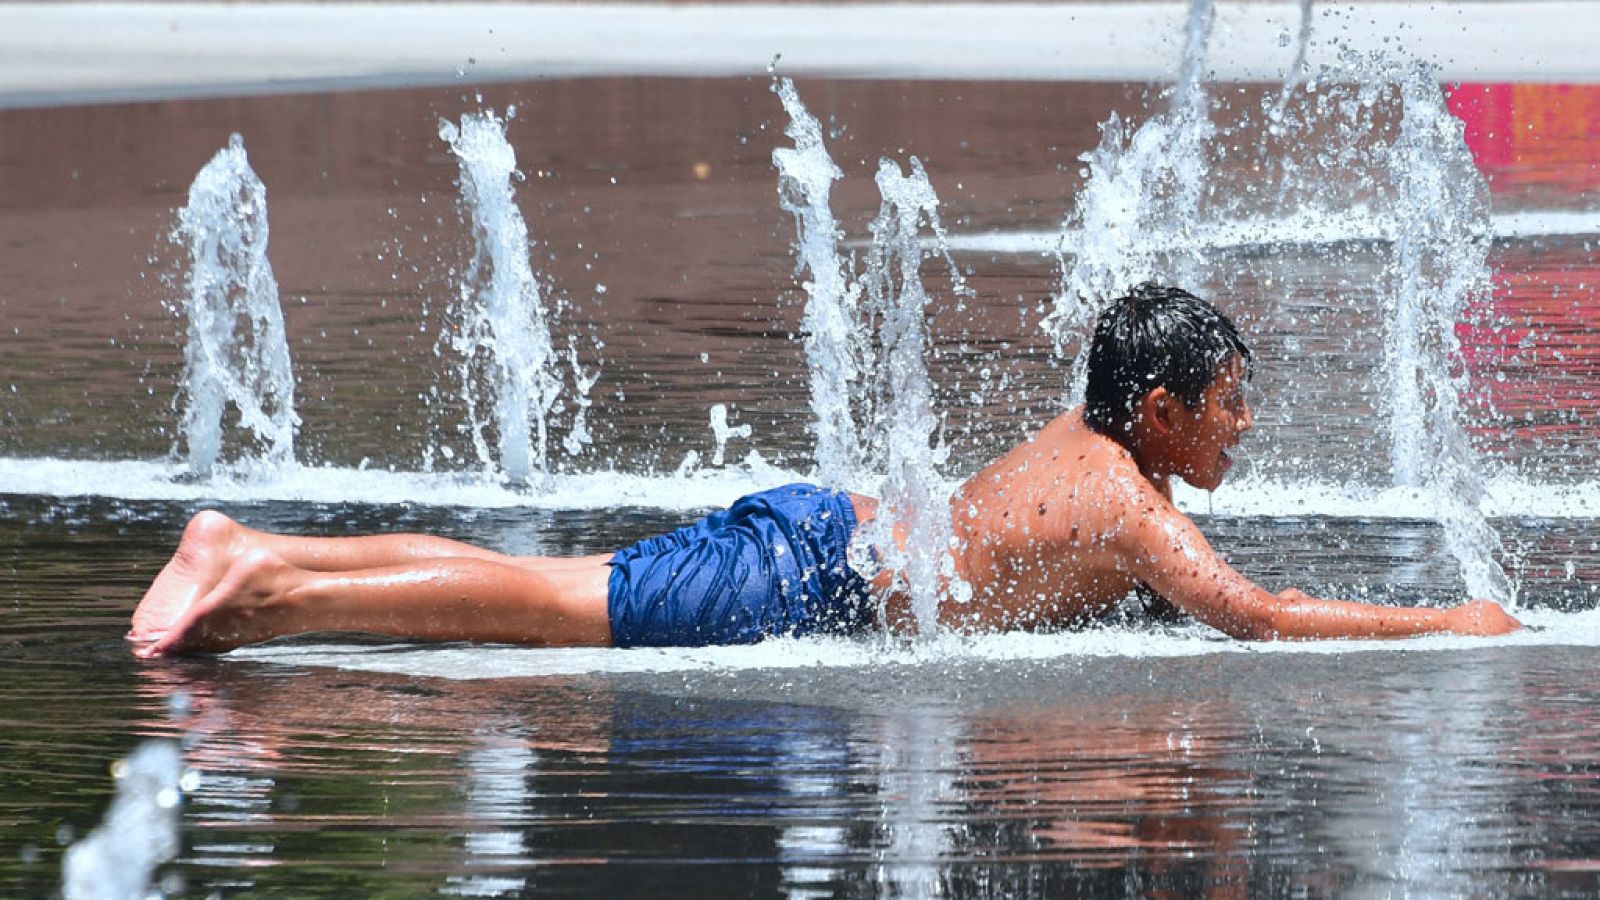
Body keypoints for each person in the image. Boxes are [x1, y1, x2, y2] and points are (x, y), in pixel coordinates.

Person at [128, 284, 1521, 657]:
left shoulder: (1097, 461)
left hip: (820, 540)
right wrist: (1447, 622)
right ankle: (259, 571)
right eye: (1228, 405)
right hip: (805, 576)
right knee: (534, 604)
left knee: (543, 589)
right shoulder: (1123, 503)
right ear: (1158, 410)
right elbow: (1259, 616)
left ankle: (263, 569)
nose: (1243, 428)